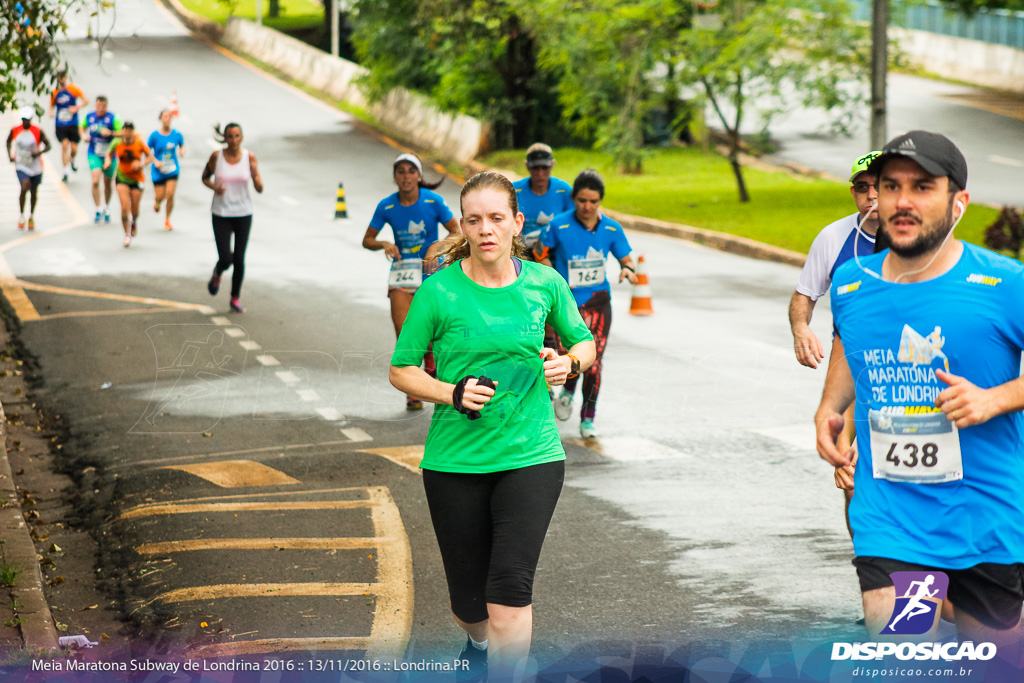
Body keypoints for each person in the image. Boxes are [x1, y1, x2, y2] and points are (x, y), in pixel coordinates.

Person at [816, 130, 1024, 650]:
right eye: (890, 186)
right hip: (893, 520)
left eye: (923, 187)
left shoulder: (1005, 284)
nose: (903, 201)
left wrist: (993, 399)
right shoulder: (850, 283)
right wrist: (829, 406)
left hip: (987, 521)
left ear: (959, 202)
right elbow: (852, 344)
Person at [389, 171, 596, 680]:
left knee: (509, 593)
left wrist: (568, 363)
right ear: (463, 224)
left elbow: (584, 343)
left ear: (515, 223)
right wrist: (451, 393)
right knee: (469, 604)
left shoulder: (544, 284)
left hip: (532, 456)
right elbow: (401, 369)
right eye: (474, 219)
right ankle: (476, 645)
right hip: (454, 461)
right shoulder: (439, 292)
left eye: (496, 218)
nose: (485, 229)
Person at [789, 151, 881, 535]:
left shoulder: (921, 239)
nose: (872, 196)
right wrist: (801, 329)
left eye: (881, 187)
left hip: (913, 373)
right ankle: (871, 569)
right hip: (853, 372)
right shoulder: (834, 238)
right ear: (853, 193)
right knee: (850, 472)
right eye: (863, 188)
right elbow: (803, 297)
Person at [534, 169, 638, 438]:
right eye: (582, 200)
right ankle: (568, 390)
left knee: (595, 361)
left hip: (599, 303)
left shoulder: (612, 228)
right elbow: (537, 255)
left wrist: (627, 270)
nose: (587, 207)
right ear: (574, 199)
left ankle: (588, 418)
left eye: (593, 201)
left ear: (600, 201)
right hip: (565, 305)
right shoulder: (558, 225)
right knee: (569, 355)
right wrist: (552, 275)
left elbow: (627, 258)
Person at [362, 153, 459, 410]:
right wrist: (384, 243)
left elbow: (457, 231)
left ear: (418, 175)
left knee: (432, 329)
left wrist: (438, 247)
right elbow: (367, 240)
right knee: (403, 328)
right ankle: (411, 388)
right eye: (401, 172)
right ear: (395, 176)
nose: (406, 176)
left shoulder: (433, 201)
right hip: (402, 272)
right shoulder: (387, 206)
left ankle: (431, 363)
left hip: (430, 272)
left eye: (410, 171)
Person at [202, 123, 263, 313]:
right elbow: (205, 177)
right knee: (226, 258)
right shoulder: (216, 157)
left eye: (237, 136)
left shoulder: (249, 157)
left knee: (239, 258)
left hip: (244, 213)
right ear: (225, 138)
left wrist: (255, 177)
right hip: (221, 213)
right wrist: (215, 187)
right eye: (230, 136)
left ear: (242, 137)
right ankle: (218, 272)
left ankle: (234, 297)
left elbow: (260, 189)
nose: (234, 140)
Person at [512, 144, 573, 254]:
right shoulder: (514, 191)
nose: (540, 174)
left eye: (545, 168)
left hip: (554, 253)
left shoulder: (564, 191)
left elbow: (573, 222)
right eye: (535, 168)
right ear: (527, 166)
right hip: (522, 253)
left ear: (552, 165)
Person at [104, 121, 155, 248]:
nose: (127, 132)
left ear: (133, 131)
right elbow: (109, 155)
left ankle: (134, 222)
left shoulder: (139, 143)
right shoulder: (117, 143)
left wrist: (141, 164)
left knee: (135, 210)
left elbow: (150, 157)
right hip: (122, 179)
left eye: (130, 130)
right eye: (125, 130)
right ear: (122, 131)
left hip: (137, 180)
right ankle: (127, 234)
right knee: (125, 208)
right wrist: (107, 162)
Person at [6, 108, 52, 231]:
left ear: (31, 120)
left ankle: (31, 215)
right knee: (24, 186)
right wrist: (10, 155)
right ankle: (21, 215)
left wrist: (38, 152)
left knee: (34, 191)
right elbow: (8, 141)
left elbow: (48, 145)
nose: (25, 122)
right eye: (23, 120)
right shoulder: (16, 130)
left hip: (35, 166)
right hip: (21, 164)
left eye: (27, 120)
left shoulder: (37, 131)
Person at [80, 96, 122, 224]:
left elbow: (122, 133)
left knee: (108, 182)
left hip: (109, 154)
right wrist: (83, 136)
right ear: (95, 105)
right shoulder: (89, 117)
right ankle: (98, 208)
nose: (101, 109)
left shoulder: (114, 118)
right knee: (95, 180)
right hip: (94, 153)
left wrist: (110, 133)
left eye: (103, 106)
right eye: (99, 106)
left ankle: (107, 207)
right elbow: (82, 127)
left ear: (106, 106)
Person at [148, 110, 185, 231]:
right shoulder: (154, 135)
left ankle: (167, 219)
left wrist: (182, 151)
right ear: (161, 119)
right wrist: (155, 161)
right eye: (165, 116)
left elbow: (182, 144)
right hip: (158, 170)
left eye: (169, 117)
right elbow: (147, 150)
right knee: (160, 196)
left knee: (170, 194)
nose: (167, 119)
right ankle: (157, 202)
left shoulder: (176, 134)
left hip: (172, 169)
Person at [49, 71, 88, 182]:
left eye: (63, 77)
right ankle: (65, 171)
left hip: (72, 123)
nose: (62, 80)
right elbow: (51, 106)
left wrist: (77, 107)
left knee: (74, 148)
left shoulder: (73, 89)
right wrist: (51, 112)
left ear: (66, 78)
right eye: (59, 78)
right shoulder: (55, 92)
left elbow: (86, 100)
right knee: (64, 146)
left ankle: (71, 159)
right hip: (60, 124)